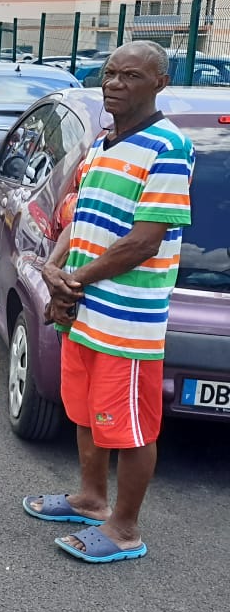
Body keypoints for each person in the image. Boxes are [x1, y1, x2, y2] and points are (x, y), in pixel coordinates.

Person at [25, 41, 193, 565]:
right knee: (85, 413)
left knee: (131, 428)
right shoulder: (103, 144)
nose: (115, 83)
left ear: (159, 83)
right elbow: (80, 219)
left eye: (132, 76)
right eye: (110, 73)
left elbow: (145, 241)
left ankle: (124, 529)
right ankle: (91, 498)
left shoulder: (168, 147)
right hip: (86, 313)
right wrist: (55, 268)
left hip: (128, 323)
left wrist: (73, 279)